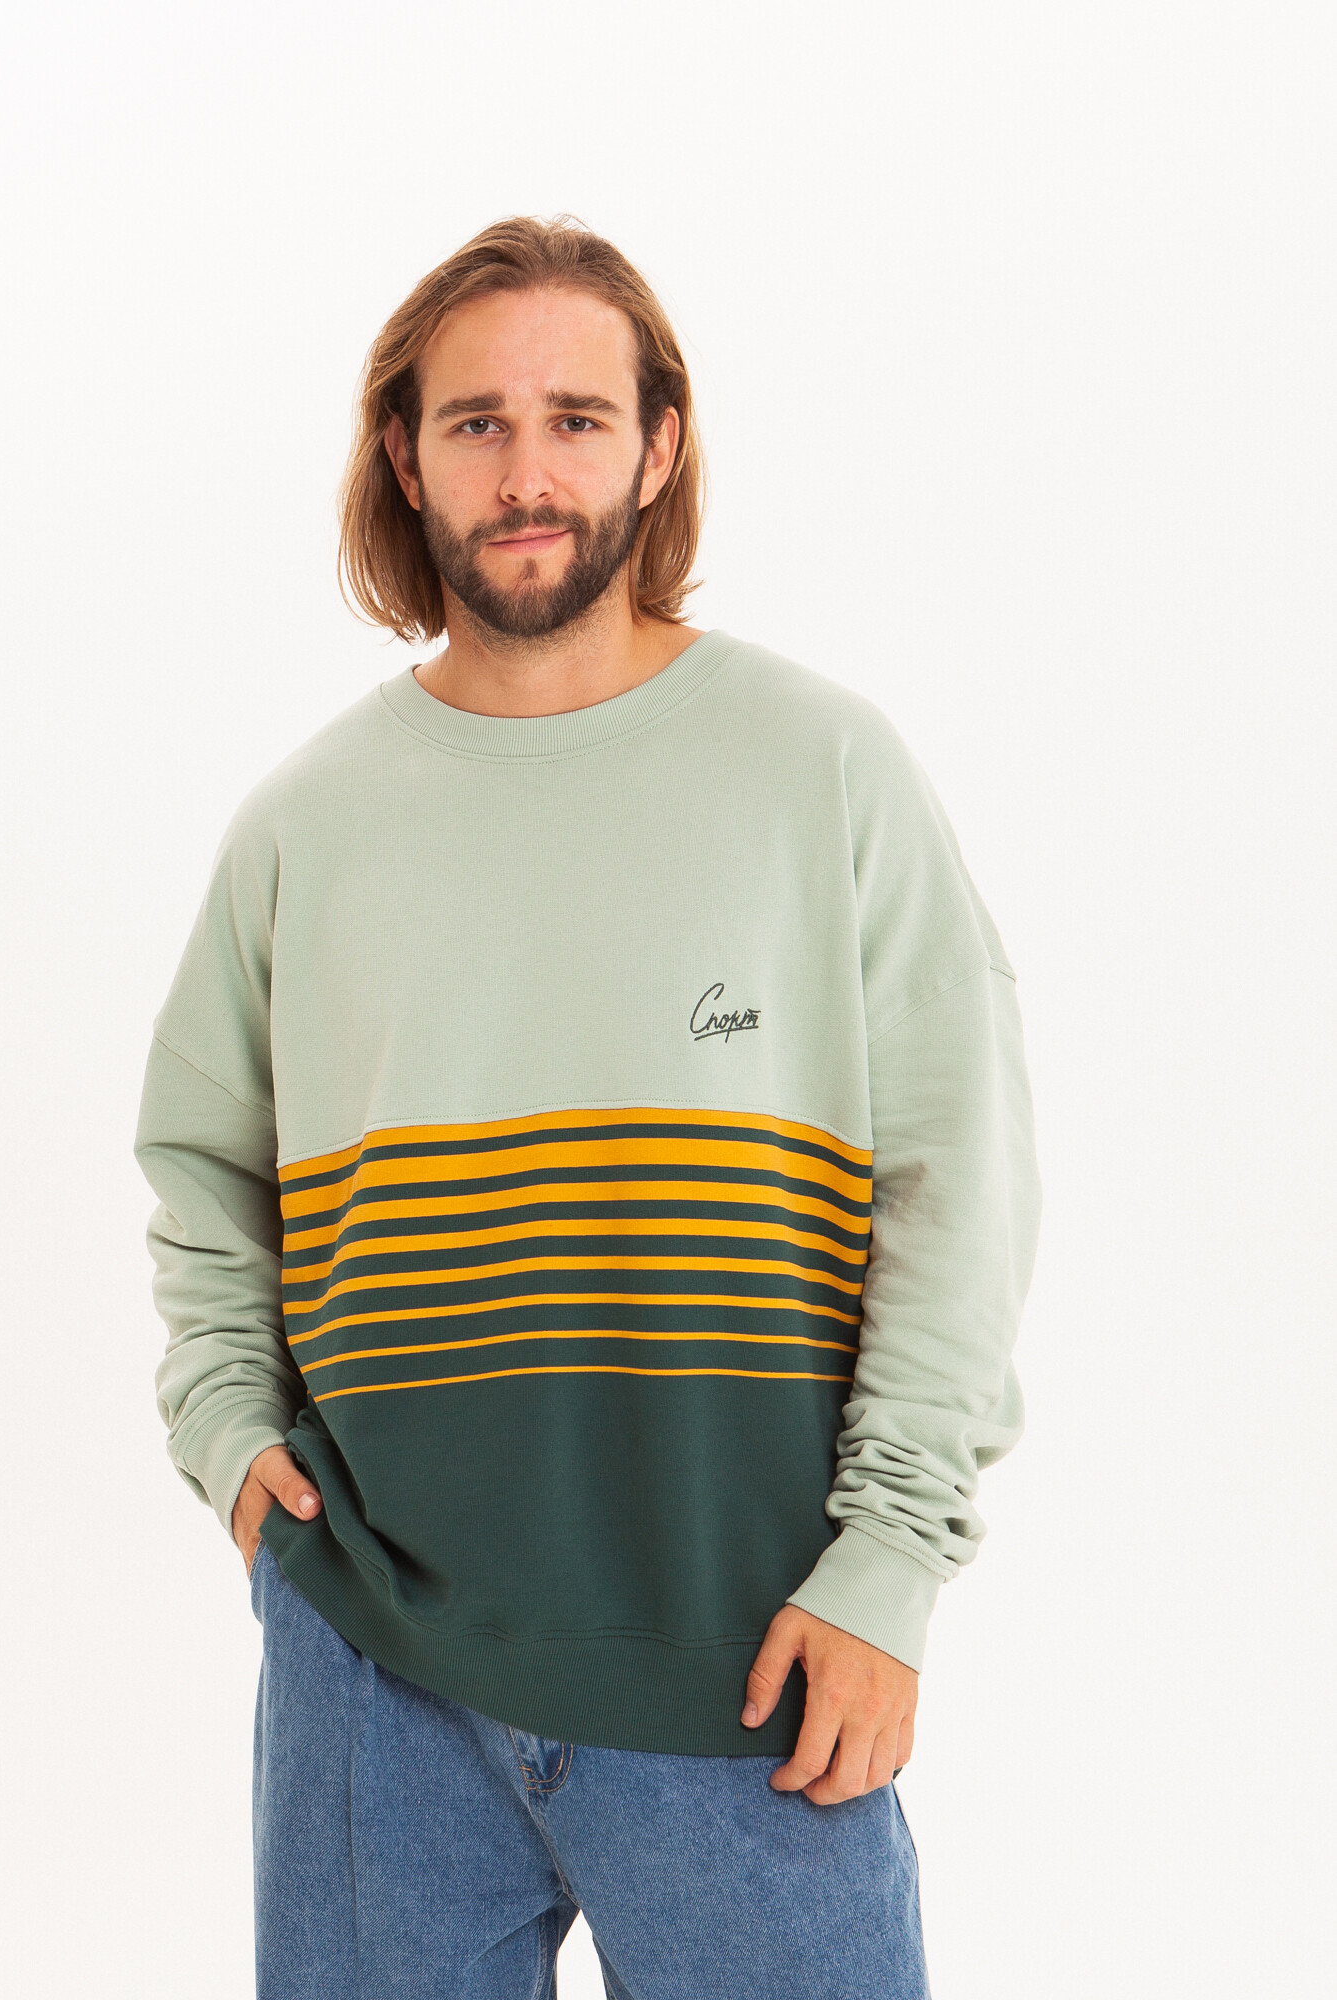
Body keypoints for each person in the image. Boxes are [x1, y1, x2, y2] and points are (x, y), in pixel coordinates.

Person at [134, 213, 1042, 2000]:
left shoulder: (821, 769)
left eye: (576, 419)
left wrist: (888, 1563)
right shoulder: (306, 823)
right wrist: (230, 1438)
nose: (527, 472)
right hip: (368, 1669)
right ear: (407, 457)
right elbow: (204, 1170)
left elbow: (961, 1186)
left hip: (750, 1669)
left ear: (659, 444)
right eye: (477, 423)